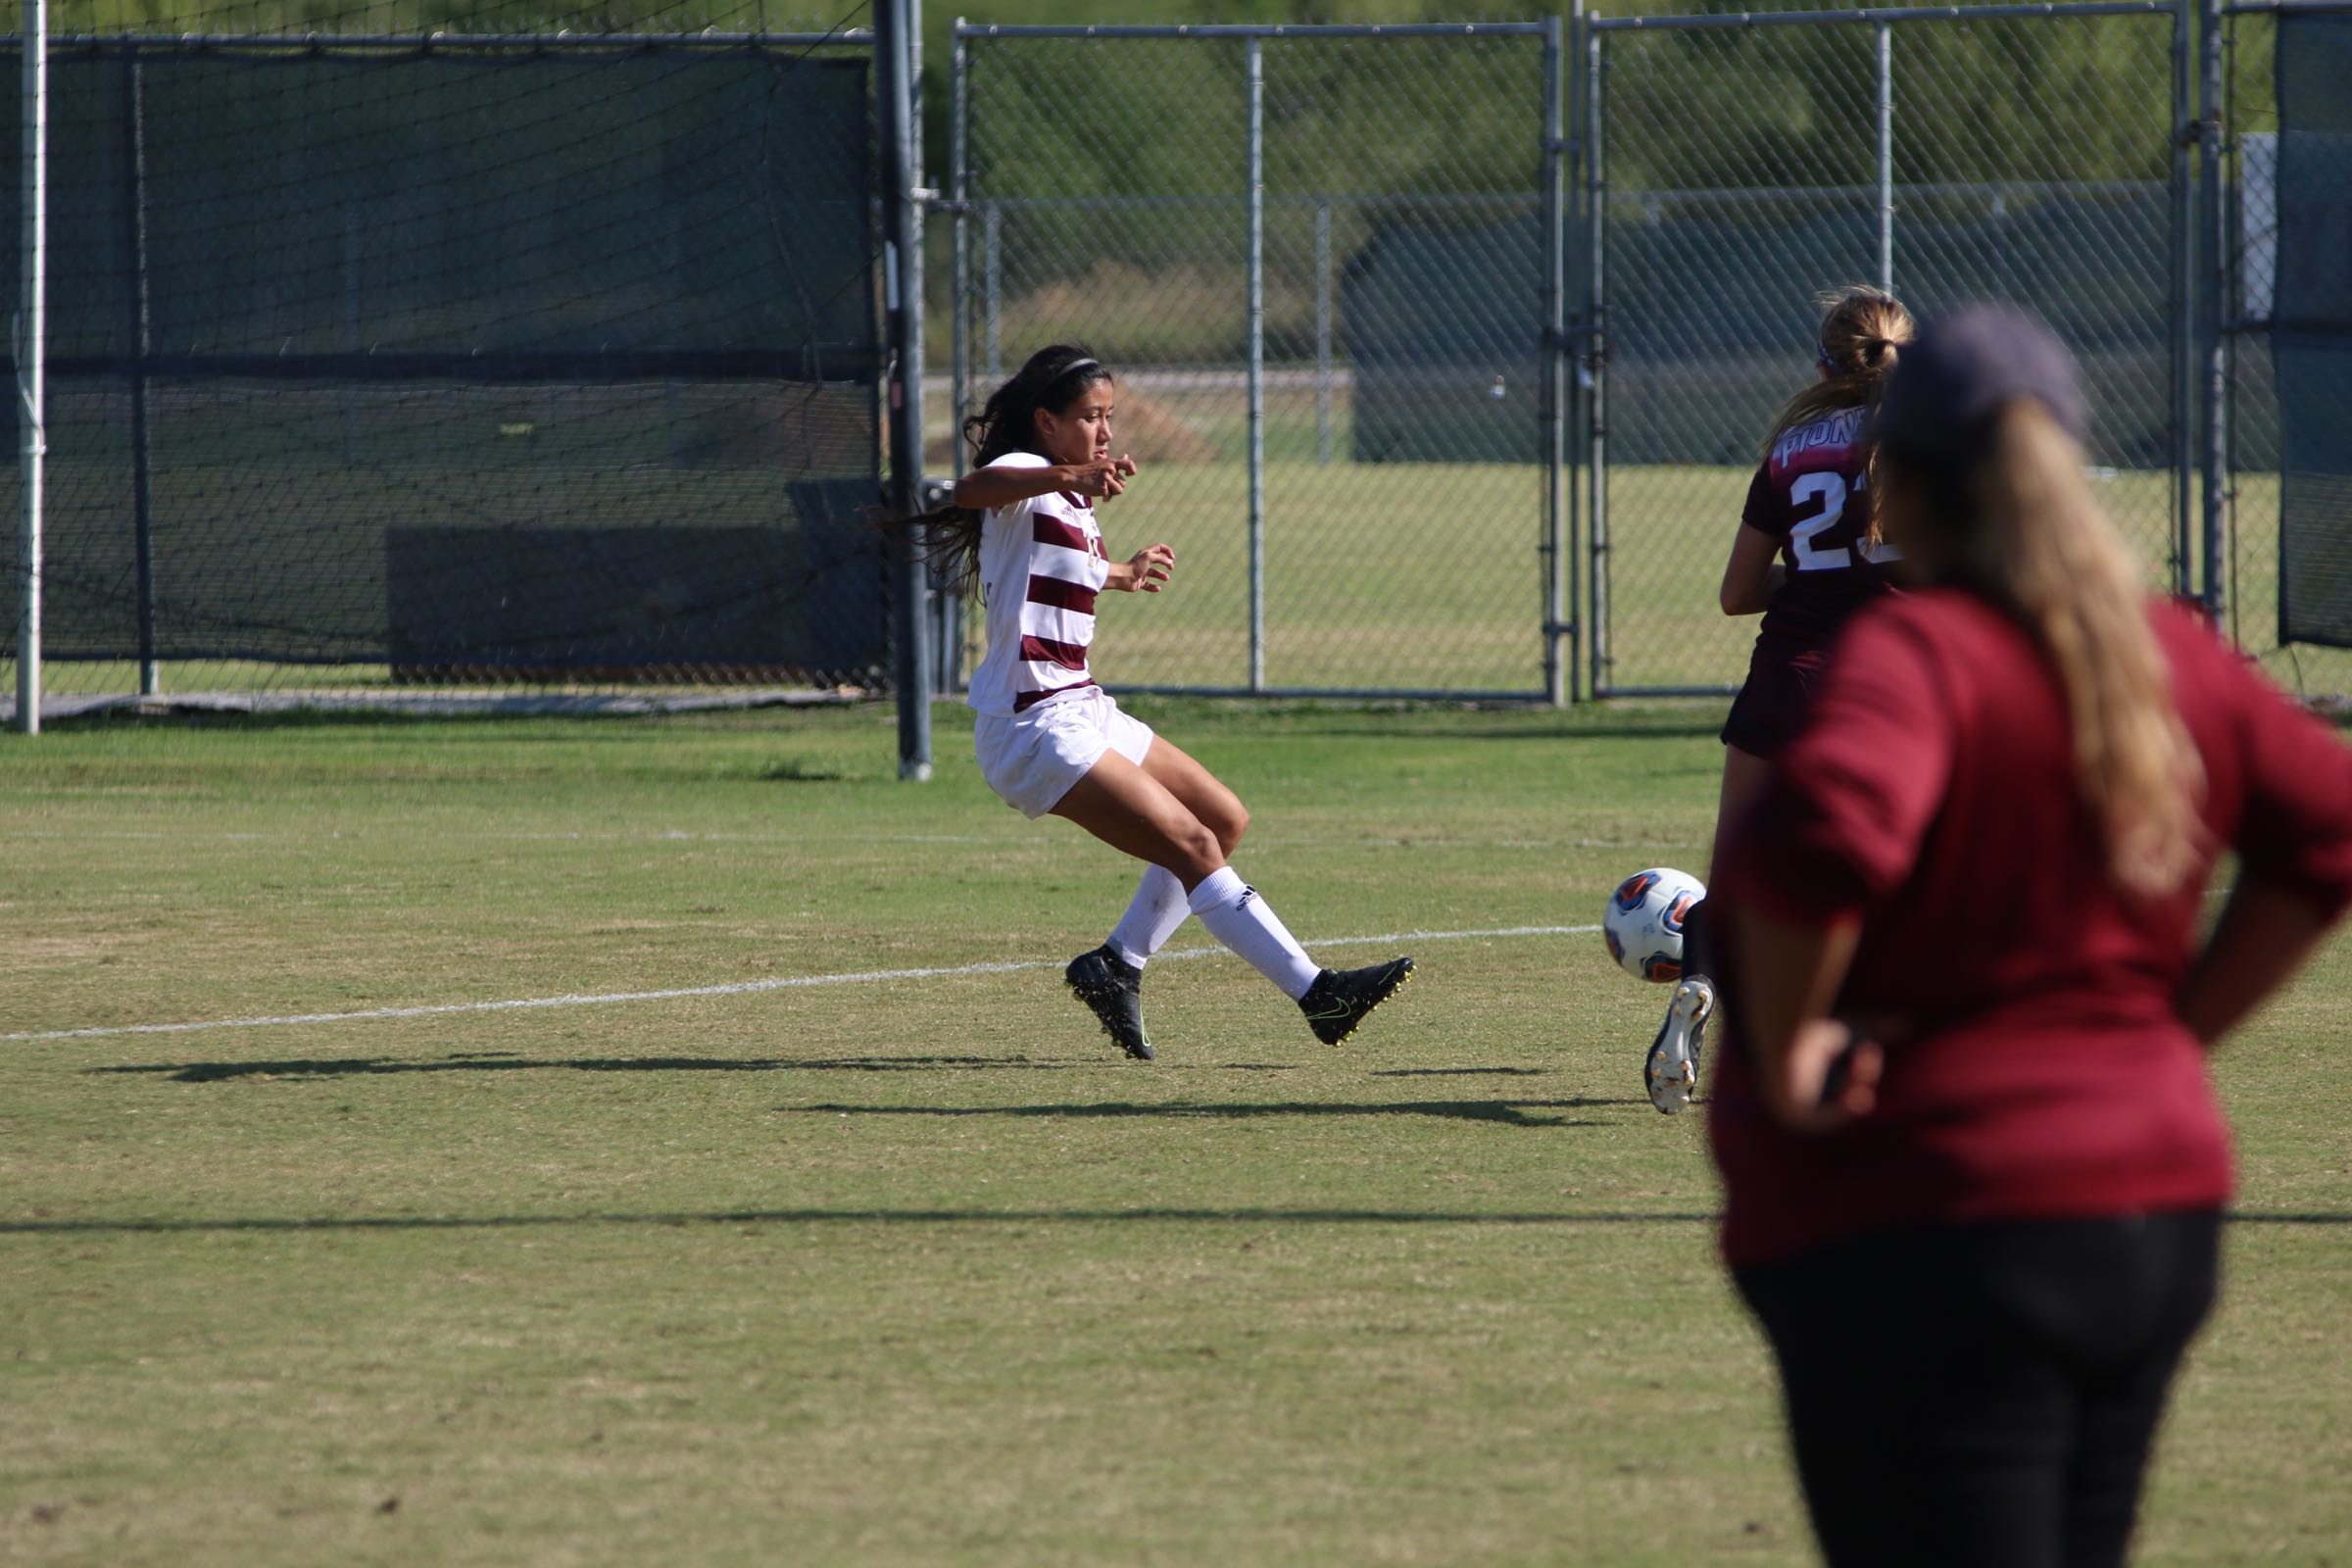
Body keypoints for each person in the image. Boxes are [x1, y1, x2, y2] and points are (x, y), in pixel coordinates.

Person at [1706, 304, 2352, 1568]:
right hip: (2151, 1211)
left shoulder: (1924, 652)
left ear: (1904, 474)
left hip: (1941, 1217)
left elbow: (1812, 847)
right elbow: (2327, 839)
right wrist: (2172, 1034)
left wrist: (1783, 1058)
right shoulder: (2165, 648)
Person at [918, 343, 1414, 1060]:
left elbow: (1052, 570)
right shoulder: (1028, 474)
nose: (1106, 432)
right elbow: (969, 492)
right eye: (1090, 417)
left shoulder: (1069, 495)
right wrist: (1067, 472)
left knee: (1222, 817)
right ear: (1046, 422)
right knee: (1193, 845)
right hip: (1030, 727)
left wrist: (1120, 572)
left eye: (1110, 417)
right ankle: (1320, 995)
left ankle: (1117, 962)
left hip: (1081, 706)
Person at [1643, 284, 1917, 1115]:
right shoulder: (1929, 444)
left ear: (1822, 363)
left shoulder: (1791, 448)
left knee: (1734, 873)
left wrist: (1811, 572)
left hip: (1787, 674)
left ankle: (1699, 983)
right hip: (1891, 687)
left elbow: (1735, 593)